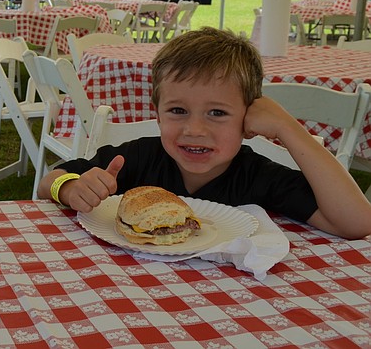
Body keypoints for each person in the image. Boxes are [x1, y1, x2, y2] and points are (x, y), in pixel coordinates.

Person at [38, 28, 371, 239]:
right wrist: (68, 188)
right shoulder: (136, 158)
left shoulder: (258, 177)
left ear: (248, 119)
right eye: (178, 111)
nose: (194, 130)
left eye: (218, 113)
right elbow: (46, 182)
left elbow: (356, 223)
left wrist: (287, 127)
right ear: (157, 114)